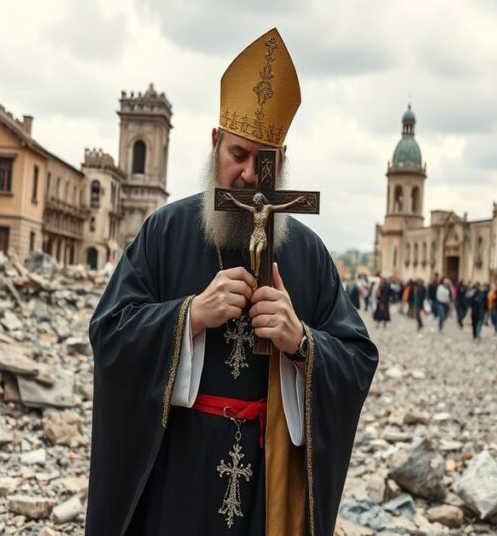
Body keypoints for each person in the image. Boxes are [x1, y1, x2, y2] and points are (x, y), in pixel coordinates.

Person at [86, 29, 379, 535]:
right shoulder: (165, 231)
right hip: (178, 471)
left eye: (264, 161)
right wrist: (188, 317)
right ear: (214, 143)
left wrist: (302, 342)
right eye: (237, 155)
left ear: (282, 162)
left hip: (267, 482)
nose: (248, 175)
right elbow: (109, 333)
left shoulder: (307, 253)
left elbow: (357, 359)